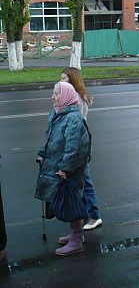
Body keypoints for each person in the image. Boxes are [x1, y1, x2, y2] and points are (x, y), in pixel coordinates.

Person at [35, 82, 91, 256]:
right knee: (68, 203)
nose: (53, 97)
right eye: (53, 93)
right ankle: (75, 235)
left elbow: (75, 148)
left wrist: (65, 168)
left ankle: (76, 241)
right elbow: (50, 138)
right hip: (57, 166)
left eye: (57, 94)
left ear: (66, 96)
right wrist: (42, 153)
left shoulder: (73, 119)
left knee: (71, 203)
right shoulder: (57, 114)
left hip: (69, 171)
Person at [60, 67, 103, 231]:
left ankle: (94, 216)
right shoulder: (76, 96)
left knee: (85, 181)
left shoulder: (76, 99)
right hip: (79, 143)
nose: (60, 81)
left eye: (64, 78)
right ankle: (86, 215)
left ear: (72, 80)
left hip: (79, 145)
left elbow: (75, 125)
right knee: (81, 181)